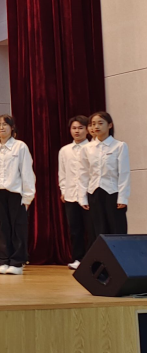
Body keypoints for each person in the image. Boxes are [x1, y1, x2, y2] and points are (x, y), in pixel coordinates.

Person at [0, 115, 35, 275]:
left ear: (12, 128)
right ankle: (3, 260)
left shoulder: (20, 147)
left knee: (18, 227)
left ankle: (17, 262)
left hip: (15, 193)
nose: (1, 127)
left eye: (5, 124)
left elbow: (27, 172)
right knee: (0, 227)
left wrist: (28, 196)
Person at [80, 111, 130, 238]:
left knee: (117, 229)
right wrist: (83, 197)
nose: (96, 126)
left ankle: (119, 252)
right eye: (93, 124)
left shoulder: (119, 146)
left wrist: (123, 198)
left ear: (110, 125)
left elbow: (124, 174)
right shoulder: (87, 148)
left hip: (113, 193)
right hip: (94, 193)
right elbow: (84, 174)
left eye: (100, 123)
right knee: (98, 231)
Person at [58, 115, 90, 270]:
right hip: (71, 195)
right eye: (74, 128)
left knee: (91, 229)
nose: (77, 131)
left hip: (89, 195)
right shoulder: (65, 150)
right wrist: (63, 190)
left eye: (80, 128)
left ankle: (92, 259)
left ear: (87, 130)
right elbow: (62, 173)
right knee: (75, 229)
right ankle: (78, 258)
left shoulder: (92, 148)